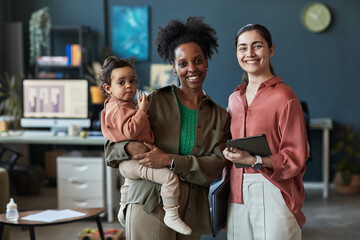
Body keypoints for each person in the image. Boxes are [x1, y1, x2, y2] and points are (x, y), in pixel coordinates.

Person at [103, 17, 230, 240]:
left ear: (207, 62)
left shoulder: (220, 116)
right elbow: (111, 150)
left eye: (198, 60)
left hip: (191, 213)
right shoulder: (152, 102)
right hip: (148, 205)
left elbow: (216, 166)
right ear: (174, 67)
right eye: (183, 63)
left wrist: (170, 161)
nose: (192, 69)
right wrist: (131, 148)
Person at [223, 24, 309, 240]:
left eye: (257, 46)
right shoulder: (234, 99)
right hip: (237, 189)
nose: (249, 54)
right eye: (242, 48)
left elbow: (296, 156)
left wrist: (255, 159)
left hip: (273, 187)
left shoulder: (284, 96)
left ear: (271, 50)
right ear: (236, 53)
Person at [99, 56, 192, 235]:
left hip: (129, 164)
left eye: (132, 81)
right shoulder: (119, 108)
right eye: (121, 82)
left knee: (129, 181)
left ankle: (122, 206)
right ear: (108, 88)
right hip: (134, 161)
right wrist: (142, 111)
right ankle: (171, 214)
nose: (129, 86)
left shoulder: (121, 104)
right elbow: (131, 131)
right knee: (169, 178)